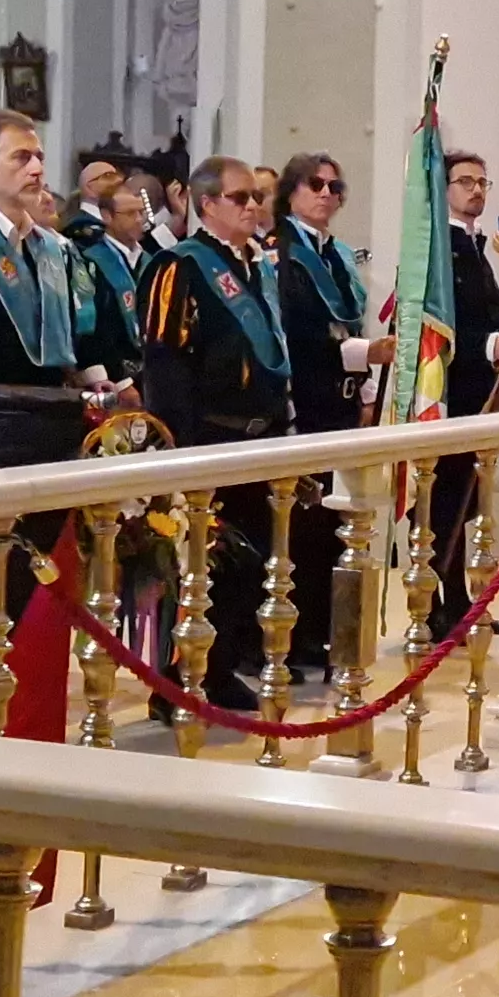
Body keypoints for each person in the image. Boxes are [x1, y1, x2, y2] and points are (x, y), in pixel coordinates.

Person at [137, 158, 290, 708]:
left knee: (247, 565)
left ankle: (219, 669)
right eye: (239, 197)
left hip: (258, 437)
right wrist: (179, 450)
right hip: (209, 437)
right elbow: (164, 362)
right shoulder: (180, 266)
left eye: (256, 197)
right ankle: (176, 683)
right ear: (207, 205)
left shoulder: (258, 266)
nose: (253, 206)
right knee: (201, 567)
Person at [267, 154, 373, 677]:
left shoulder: (336, 254)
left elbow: (351, 320)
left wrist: (367, 380)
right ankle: (299, 633)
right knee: (305, 523)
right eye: (316, 184)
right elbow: (298, 332)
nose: (327, 194)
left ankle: (322, 631)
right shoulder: (282, 253)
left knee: (333, 520)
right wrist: (360, 356)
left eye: (336, 186)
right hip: (303, 399)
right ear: (291, 193)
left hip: (341, 399)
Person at [429, 151, 499, 627]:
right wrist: (493, 343)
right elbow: (439, 327)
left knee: (468, 503)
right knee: (447, 501)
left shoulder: (473, 246)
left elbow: (487, 313)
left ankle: (458, 602)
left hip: (480, 394)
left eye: (482, 182)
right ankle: (435, 605)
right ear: (444, 188)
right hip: (452, 392)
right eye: (465, 181)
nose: (476, 190)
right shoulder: (438, 249)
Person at [0, 111, 106, 393]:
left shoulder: (53, 247)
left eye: (39, 157)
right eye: (22, 157)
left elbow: (76, 326)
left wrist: (94, 377)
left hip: (52, 407)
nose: (37, 169)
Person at [79, 181, 159, 379]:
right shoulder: (89, 261)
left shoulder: (153, 261)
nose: (139, 219)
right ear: (107, 216)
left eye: (142, 212)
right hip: (113, 375)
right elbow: (91, 328)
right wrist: (119, 380)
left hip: (151, 375)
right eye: (130, 213)